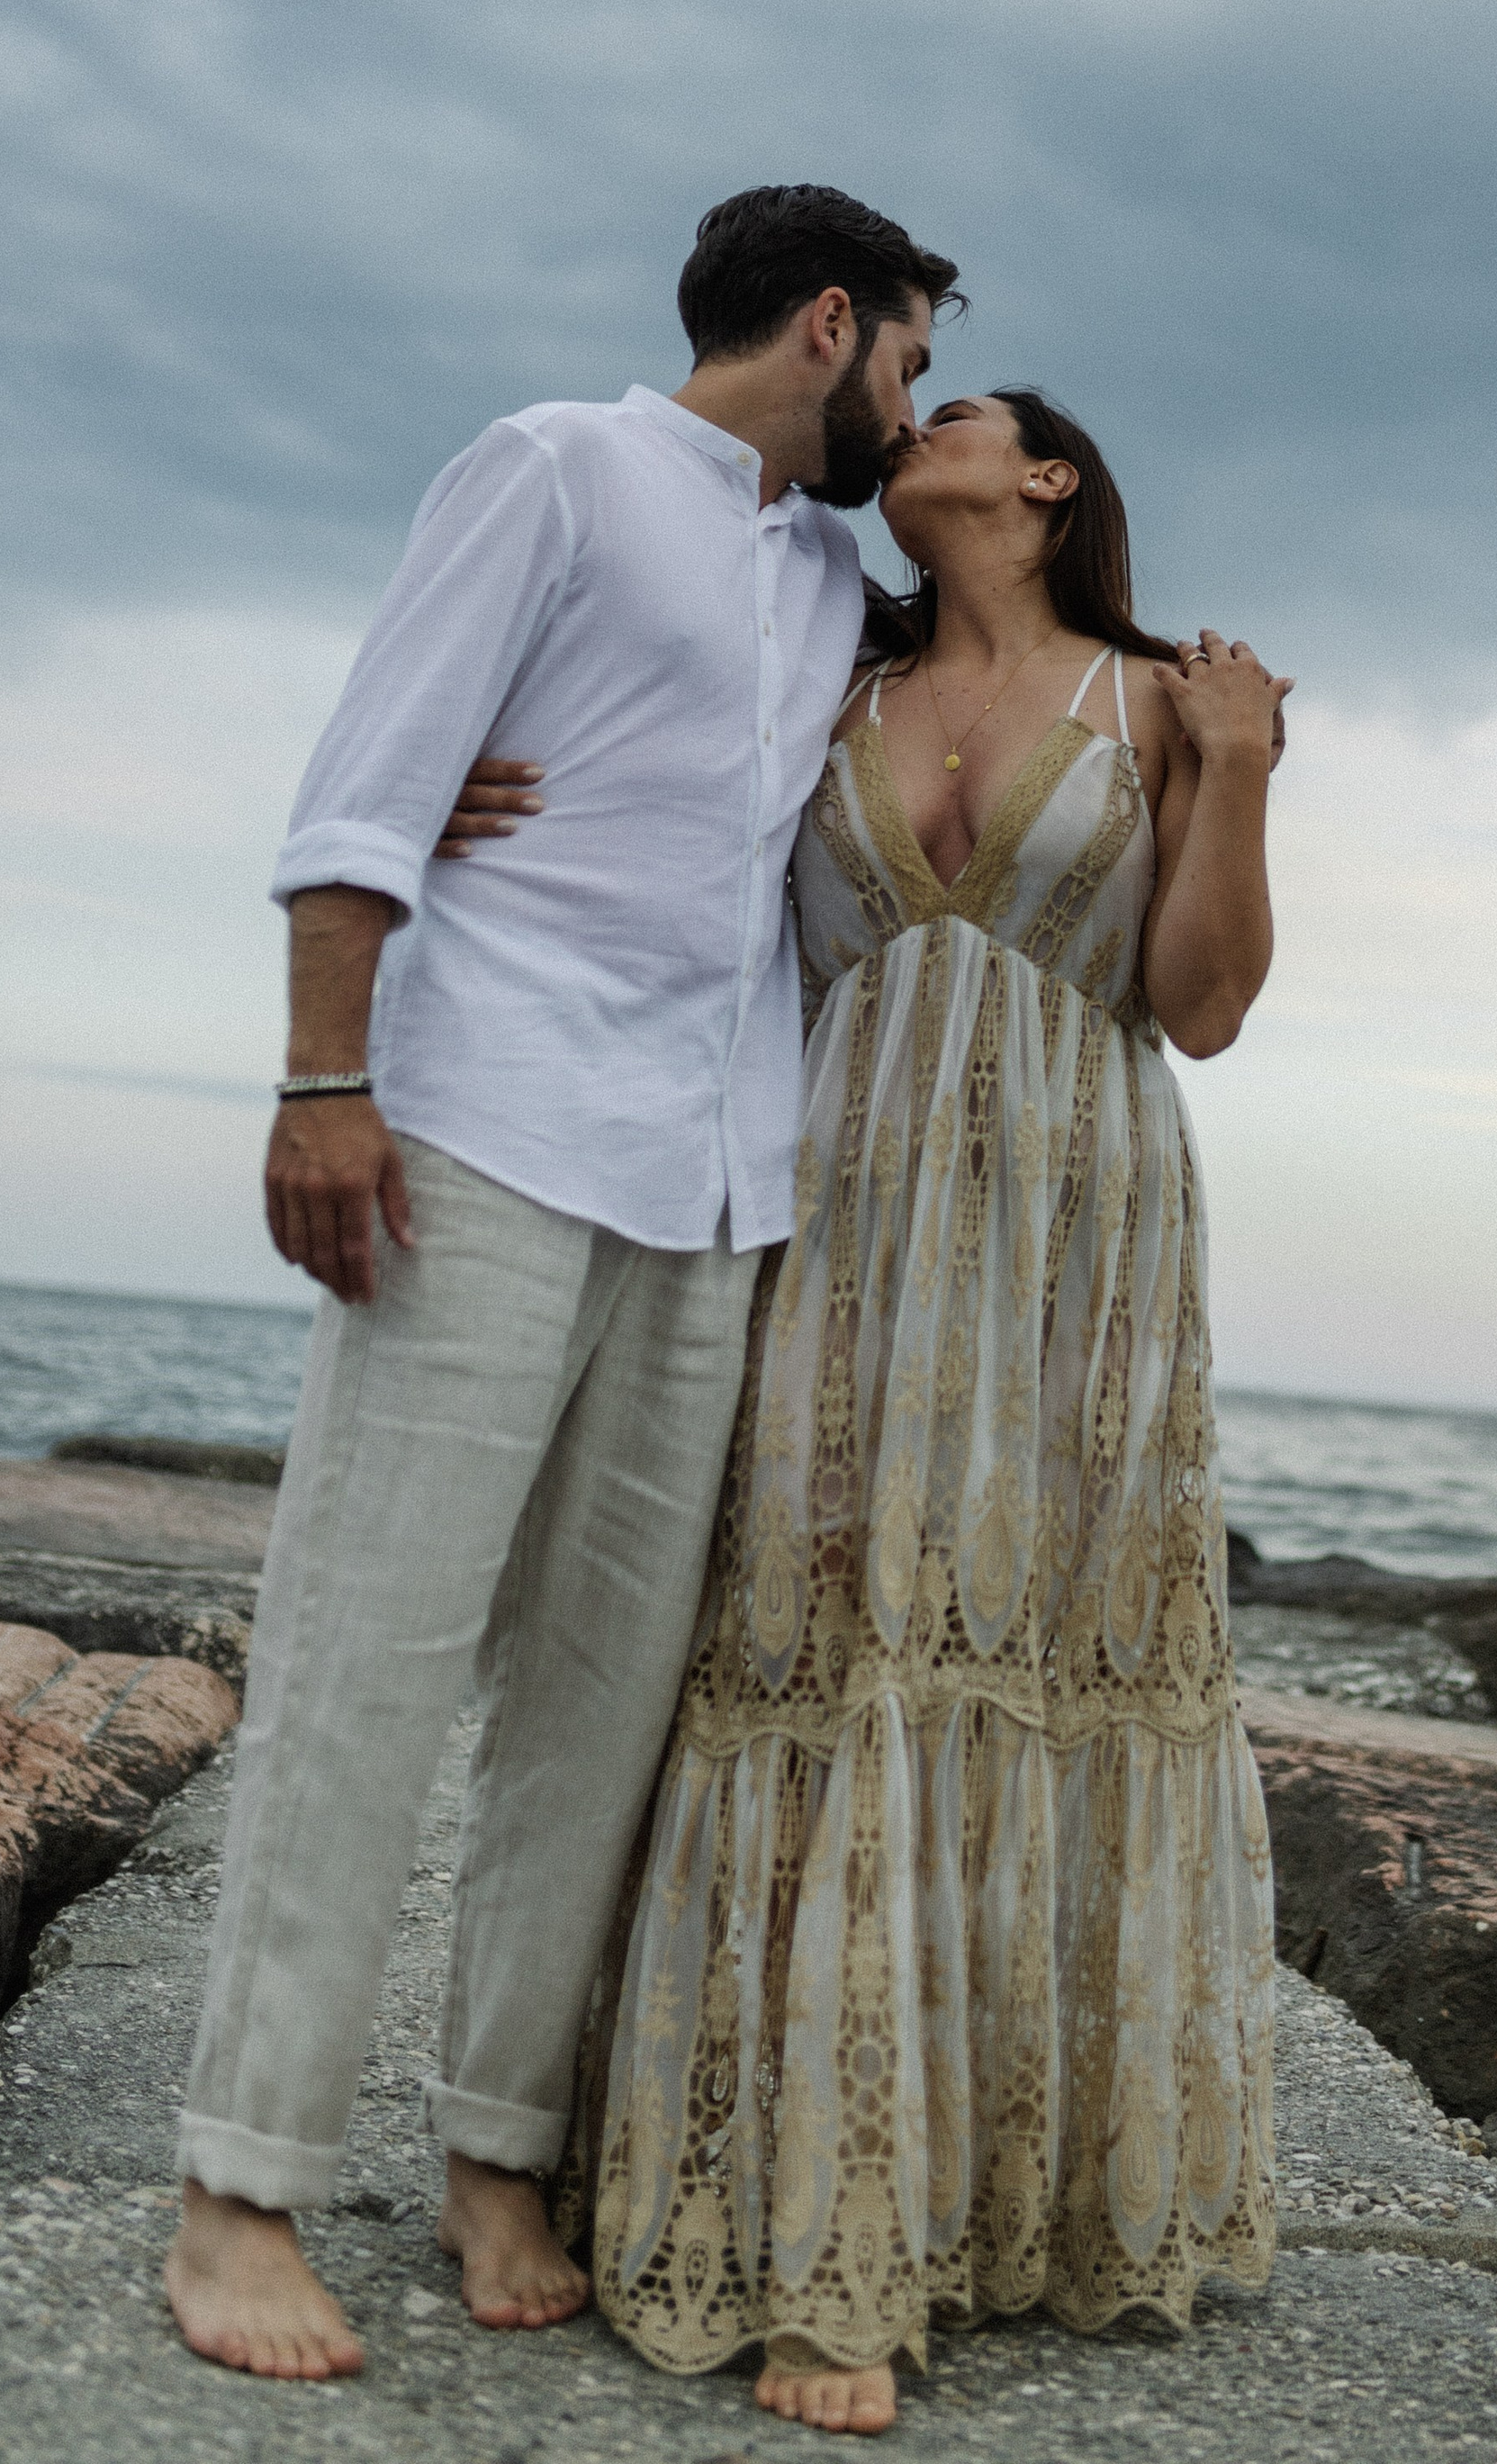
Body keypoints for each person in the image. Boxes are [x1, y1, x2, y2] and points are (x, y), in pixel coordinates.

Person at [165, 186, 960, 2384]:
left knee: (604, 1700)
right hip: (489, 1130)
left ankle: (496, 2148)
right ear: (827, 325)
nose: (910, 408)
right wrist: (326, 1080)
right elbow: (370, 793)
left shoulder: (827, 575)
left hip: (720, 1188)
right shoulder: (550, 465)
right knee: (367, 1658)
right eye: (903, 360)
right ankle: (237, 2185)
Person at [520, 384, 1292, 2433]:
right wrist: (458, 801)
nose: (920, 420)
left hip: (1073, 1254)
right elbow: (660, 836)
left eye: (961, 408)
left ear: (1047, 481)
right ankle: (808, 2232)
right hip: (831, 1226)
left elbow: (1201, 1007)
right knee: (806, 1649)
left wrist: (1238, 774)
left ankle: (981, 2214)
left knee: (1033, 1657)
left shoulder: (1159, 698)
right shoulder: (825, 673)